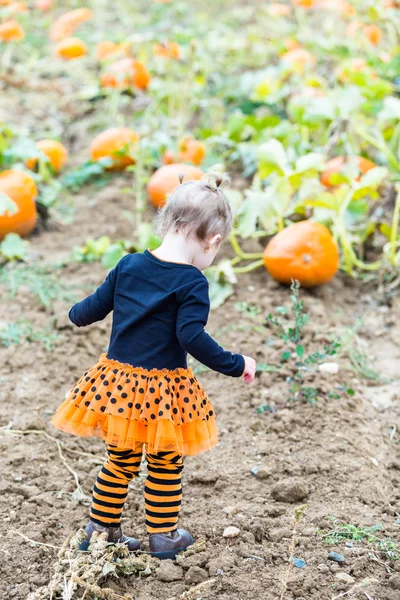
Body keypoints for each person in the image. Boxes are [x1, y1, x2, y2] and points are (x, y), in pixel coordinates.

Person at [50, 172, 256, 560]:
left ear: (167, 223)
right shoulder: (192, 283)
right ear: (212, 241)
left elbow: (90, 309)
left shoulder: (128, 265)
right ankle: (164, 537)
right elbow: (191, 338)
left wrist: (73, 314)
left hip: (118, 385)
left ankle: (100, 530)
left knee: (120, 460)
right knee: (165, 462)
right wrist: (235, 363)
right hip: (163, 392)